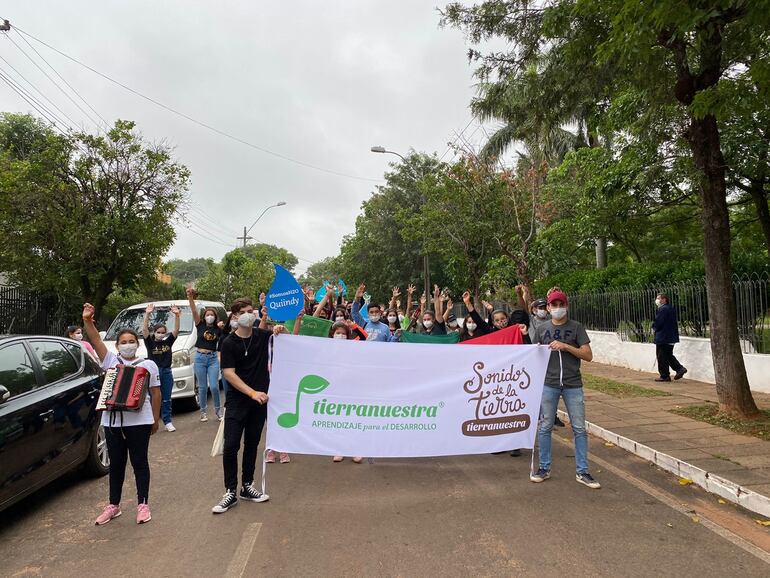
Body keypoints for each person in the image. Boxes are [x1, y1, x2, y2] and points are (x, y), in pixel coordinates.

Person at [82, 303, 161, 525]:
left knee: (139, 462)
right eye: (123, 342)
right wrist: (88, 321)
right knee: (116, 464)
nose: (128, 345)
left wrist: (155, 419)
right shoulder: (111, 361)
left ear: (138, 344)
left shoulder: (148, 365)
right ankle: (113, 505)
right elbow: (96, 341)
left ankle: (143, 504)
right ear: (117, 346)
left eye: (131, 342)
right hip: (112, 422)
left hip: (140, 420)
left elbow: (156, 394)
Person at [213, 298, 286, 514]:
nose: (249, 314)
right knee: (231, 446)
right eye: (243, 311)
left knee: (252, 444)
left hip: (260, 402)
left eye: (251, 310)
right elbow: (228, 373)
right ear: (235, 316)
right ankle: (230, 491)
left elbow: (287, 341)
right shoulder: (228, 342)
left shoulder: (262, 336)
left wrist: (282, 328)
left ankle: (247, 486)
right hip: (238, 402)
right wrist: (251, 392)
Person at [530, 290, 601, 489]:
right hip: (549, 383)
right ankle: (544, 467)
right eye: (554, 305)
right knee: (545, 427)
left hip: (573, 384)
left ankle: (583, 471)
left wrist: (566, 346)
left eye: (561, 304)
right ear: (549, 308)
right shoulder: (542, 328)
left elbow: (588, 355)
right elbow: (533, 352)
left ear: (566, 306)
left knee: (579, 428)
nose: (557, 308)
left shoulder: (576, 328)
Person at [328, 321, 365, 464]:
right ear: (332, 335)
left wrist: (354, 326)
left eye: (344, 334)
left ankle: (356, 449)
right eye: (338, 333)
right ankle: (339, 449)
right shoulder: (325, 347)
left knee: (353, 418)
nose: (341, 336)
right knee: (338, 419)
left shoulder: (352, 346)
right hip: (334, 389)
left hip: (352, 388)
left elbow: (363, 337)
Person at [142, 303, 181, 432]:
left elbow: (176, 331)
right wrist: (147, 314)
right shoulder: (150, 342)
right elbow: (144, 331)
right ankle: (151, 421)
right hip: (153, 373)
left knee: (166, 399)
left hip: (166, 371)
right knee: (152, 397)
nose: (160, 334)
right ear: (154, 332)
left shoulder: (168, 341)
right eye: (158, 332)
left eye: (163, 333)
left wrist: (176, 316)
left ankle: (167, 421)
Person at [187, 288, 223, 422]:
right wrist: (190, 297)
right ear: (204, 316)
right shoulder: (200, 325)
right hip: (200, 358)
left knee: (214, 386)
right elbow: (194, 310)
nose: (209, 316)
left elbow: (226, 336)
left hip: (213, 358)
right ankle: (203, 412)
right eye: (207, 314)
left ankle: (218, 411)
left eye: (211, 314)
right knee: (202, 387)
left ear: (215, 317)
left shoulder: (218, 329)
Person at [653, 293, 687, 382]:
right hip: (670, 336)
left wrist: (654, 327)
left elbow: (659, 322)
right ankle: (679, 369)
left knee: (661, 356)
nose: (657, 300)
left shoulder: (663, 309)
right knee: (667, 355)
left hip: (664, 337)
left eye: (658, 298)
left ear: (664, 299)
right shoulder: (669, 308)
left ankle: (665, 375)